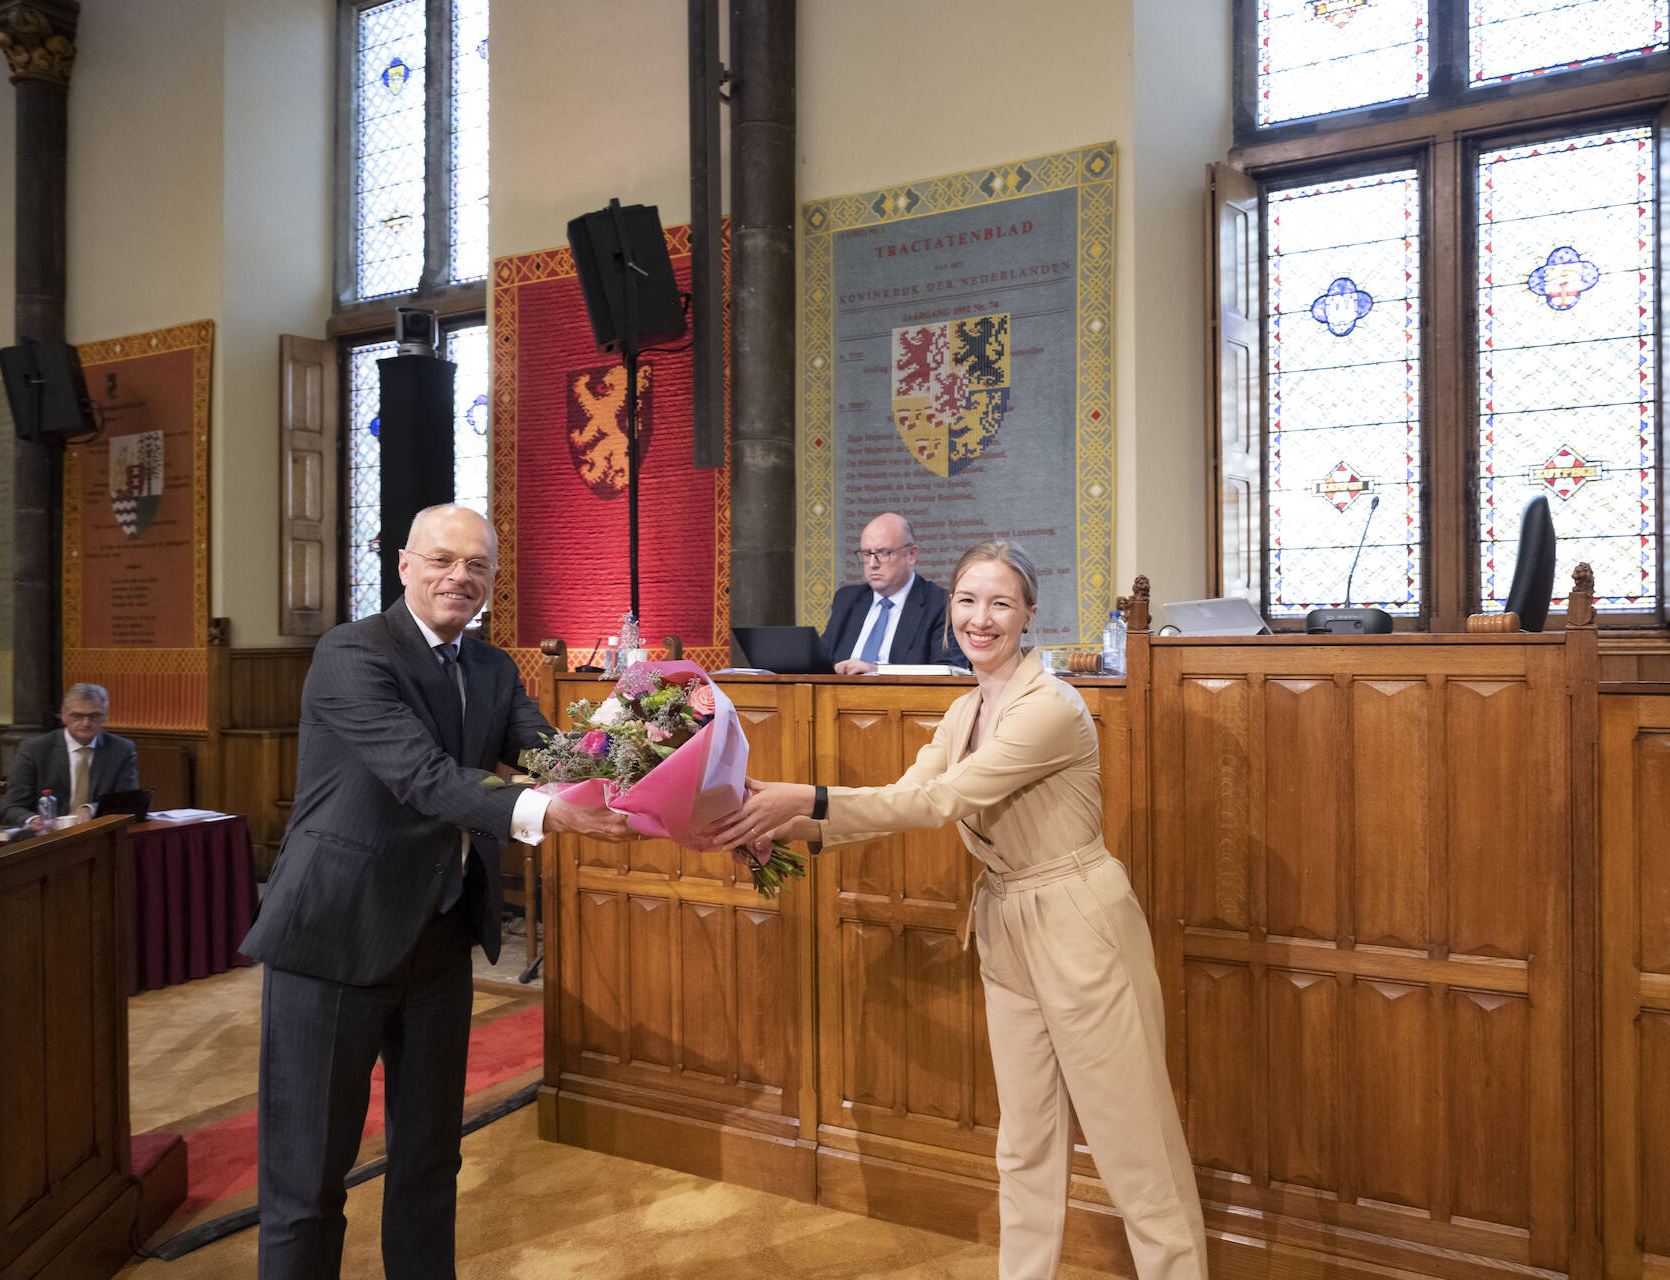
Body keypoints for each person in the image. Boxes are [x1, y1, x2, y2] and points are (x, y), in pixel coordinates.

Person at [710, 539, 1208, 1280]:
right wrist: (781, 827)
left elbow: (940, 801)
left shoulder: (1052, 708)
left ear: (1029, 617)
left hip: (1081, 922)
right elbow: (896, 800)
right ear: (951, 611)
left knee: (1133, 1146)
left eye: (1001, 603)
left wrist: (806, 797)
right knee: (1025, 1143)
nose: (982, 618)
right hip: (1005, 922)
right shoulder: (967, 707)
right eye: (968, 601)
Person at [240, 504, 634, 1280]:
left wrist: (654, 754)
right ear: (404, 565)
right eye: (443, 560)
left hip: (441, 938)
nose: (461, 577)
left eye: (478, 565)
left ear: (492, 579)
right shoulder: (352, 651)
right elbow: (421, 776)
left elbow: (556, 755)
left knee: (428, 1164)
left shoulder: (490, 668)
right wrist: (550, 814)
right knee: (307, 1183)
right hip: (335, 937)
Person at [821, 511, 960, 673]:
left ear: (911, 555)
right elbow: (822, 660)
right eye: (867, 554)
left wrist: (877, 670)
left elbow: (949, 671)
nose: (873, 563)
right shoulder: (847, 599)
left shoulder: (940, 604)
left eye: (883, 553)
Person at [1, 682, 138, 829]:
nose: (86, 723)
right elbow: (12, 806)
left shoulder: (121, 749)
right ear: (63, 716)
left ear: (105, 716)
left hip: (99, 834)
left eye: (94, 715)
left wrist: (90, 809)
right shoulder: (35, 749)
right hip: (45, 838)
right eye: (77, 716)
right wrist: (32, 820)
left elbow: (127, 802)